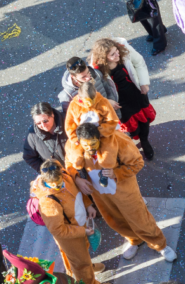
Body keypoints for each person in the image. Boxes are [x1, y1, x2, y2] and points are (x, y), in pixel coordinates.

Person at [65, 120, 176, 262]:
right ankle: (135, 240)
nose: (90, 148)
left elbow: (137, 163)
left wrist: (117, 173)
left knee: (140, 220)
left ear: (99, 138)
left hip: (125, 192)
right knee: (116, 221)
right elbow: (69, 163)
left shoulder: (118, 141)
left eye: (93, 144)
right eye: (85, 145)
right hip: (100, 195)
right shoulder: (73, 146)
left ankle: (160, 245)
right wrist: (77, 178)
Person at [29, 159, 100, 284]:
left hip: (79, 225)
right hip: (70, 237)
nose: (57, 187)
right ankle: (89, 281)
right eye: (53, 185)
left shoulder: (64, 176)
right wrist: (83, 231)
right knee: (81, 265)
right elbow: (58, 230)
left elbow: (77, 191)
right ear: (45, 180)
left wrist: (88, 205)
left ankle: (88, 268)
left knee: (83, 256)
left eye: (59, 182)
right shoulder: (48, 202)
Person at [90, 37, 155, 159]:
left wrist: (143, 83)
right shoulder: (96, 71)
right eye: (113, 54)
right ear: (104, 58)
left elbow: (139, 62)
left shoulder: (124, 50)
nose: (117, 55)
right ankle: (131, 148)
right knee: (130, 130)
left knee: (144, 122)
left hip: (137, 93)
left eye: (116, 51)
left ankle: (145, 142)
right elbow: (96, 91)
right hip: (120, 103)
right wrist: (107, 102)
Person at [22, 101, 68, 173]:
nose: (43, 125)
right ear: (34, 122)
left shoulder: (68, 120)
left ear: (52, 115)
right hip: (58, 176)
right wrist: (47, 171)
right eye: (38, 123)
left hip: (80, 167)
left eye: (45, 121)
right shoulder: (32, 135)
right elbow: (29, 157)